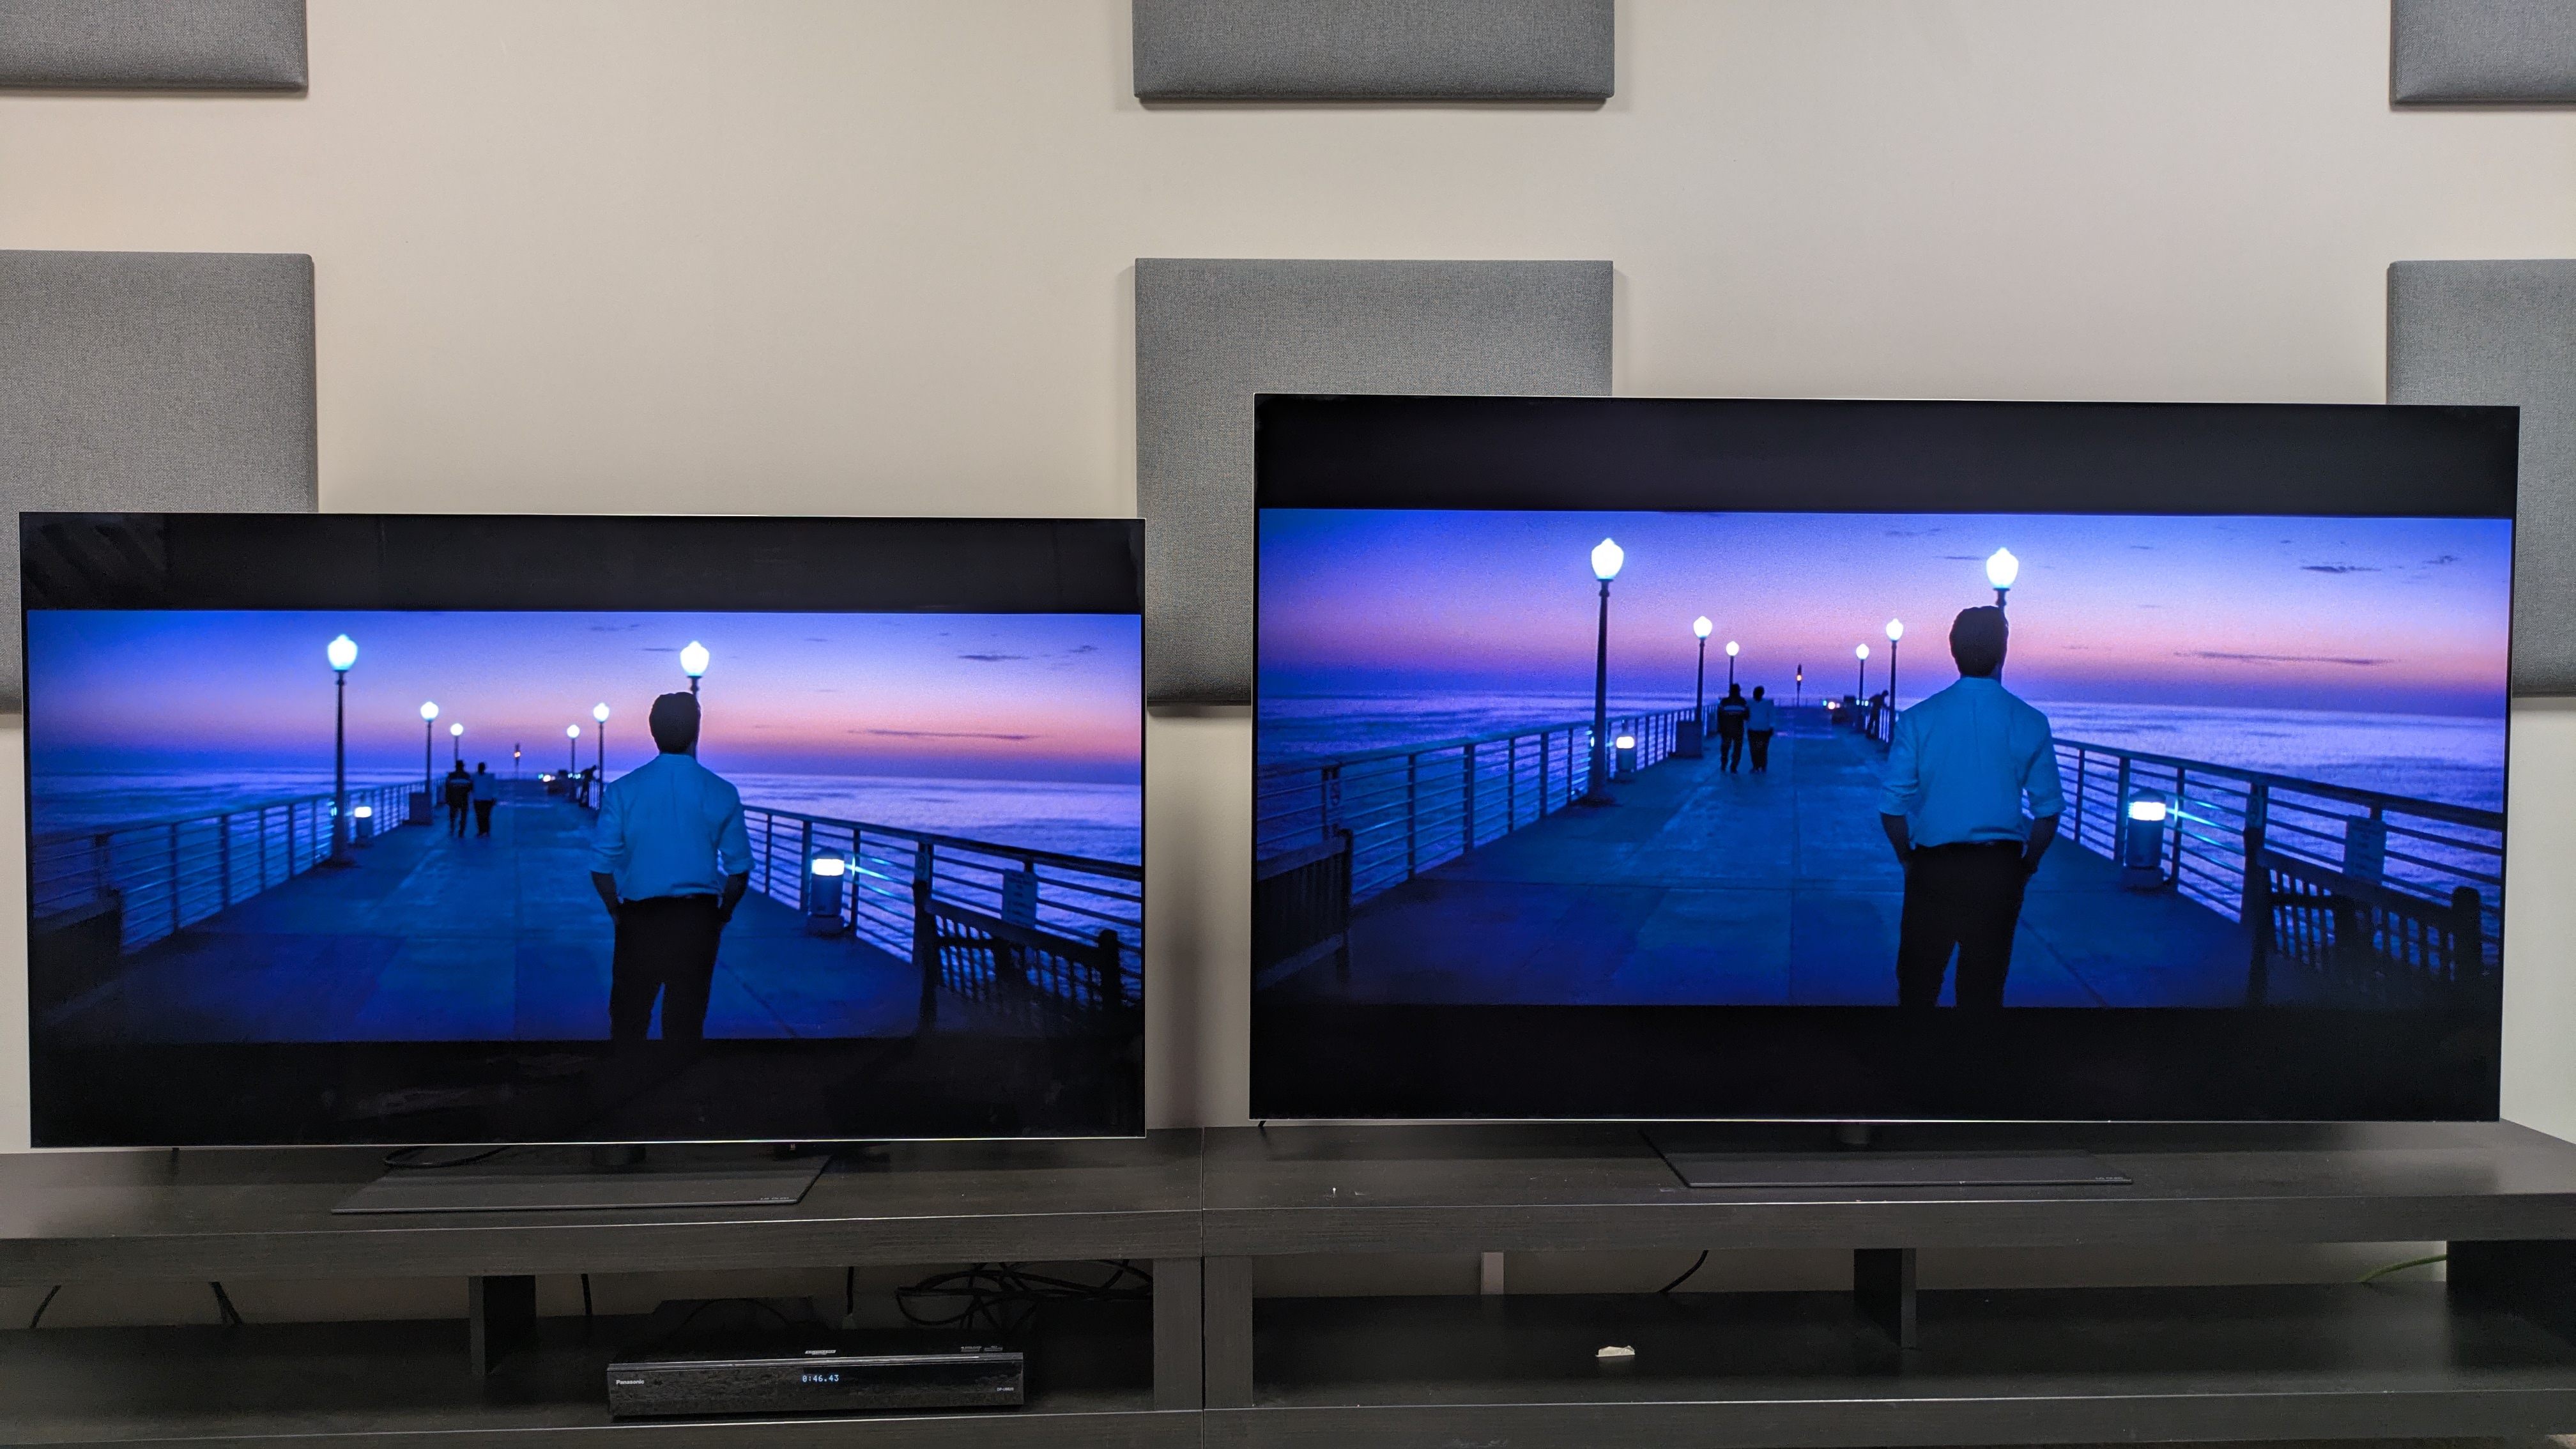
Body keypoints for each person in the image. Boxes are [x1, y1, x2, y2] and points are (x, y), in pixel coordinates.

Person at [1876, 606, 2064, 1009]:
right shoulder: (2031, 721)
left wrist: (1908, 860)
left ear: (1953, 651)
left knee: (1917, 984)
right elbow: (2047, 812)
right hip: (1999, 870)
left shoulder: (1917, 719)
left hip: (1933, 867)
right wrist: (2026, 866)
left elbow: (1892, 808)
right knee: (1983, 989)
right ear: (2004, 651)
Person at [590, 693, 751, 1042]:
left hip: (640, 917)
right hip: (698, 918)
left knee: (629, 1018)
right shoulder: (722, 791)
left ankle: (629, 1086)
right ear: (696, 731)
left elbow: (600, 867)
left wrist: (616, 912)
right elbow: (738, 871)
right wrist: (722, 916)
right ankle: (678, 1090)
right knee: (686, 1021)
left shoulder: (622, 790)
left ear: (652, 732)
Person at [1713, 683, 1751, 772]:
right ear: (1739, 692)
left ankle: (1724, 764)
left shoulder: (1724, 702)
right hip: (1738, 729)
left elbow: (1719, 715)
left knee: (1725, 748)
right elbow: (1747, 716)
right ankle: (1734, 766)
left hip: (1726, 729)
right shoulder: (1743, 702)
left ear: (1730, 692)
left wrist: (1719, 727)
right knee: (1737, 748)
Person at [1745, 685, 1777, 773]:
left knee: (1762, 749)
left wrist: (1771, 727)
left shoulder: (1767, 703)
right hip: (1754, 729)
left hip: (1763, 729)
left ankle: (1762, 766)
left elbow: (1772, 716)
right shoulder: (1749, 703)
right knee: (1754, 749)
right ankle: (1756, 766)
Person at [441, 761, 473, 838]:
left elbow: (447, 788)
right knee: (463, 816)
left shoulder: (451, 776)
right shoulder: (467, 776)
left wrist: (447, 799)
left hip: (453, 799)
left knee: (452, 816)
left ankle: (452, 829)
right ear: (463, 767)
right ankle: (461, 832)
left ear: (456, 767)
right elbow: (471, 788)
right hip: (464, 799)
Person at [470, 762, 498, 837]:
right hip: (482, 799)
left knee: (484, 816)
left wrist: (494, 798)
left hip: (484, 799)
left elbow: (494, 788)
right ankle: (483, 831)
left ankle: (484, 831)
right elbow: (494, 788)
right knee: (482, 816)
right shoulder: (476, 777)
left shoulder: (475, 777)